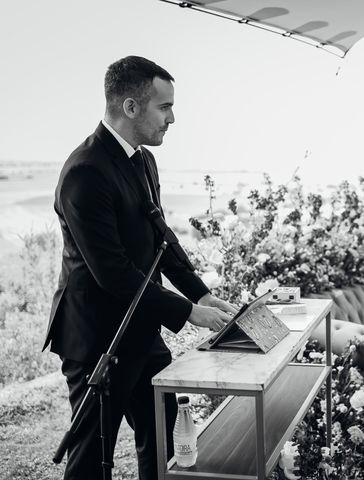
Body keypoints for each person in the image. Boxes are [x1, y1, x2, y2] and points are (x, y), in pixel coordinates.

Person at [43, 56, 238, 480]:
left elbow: (159, 239)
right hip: (97, 341)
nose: (173, 118)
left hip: (141, 329)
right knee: (92, 460)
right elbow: (111, 270)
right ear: (131, 107)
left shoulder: (144, 159)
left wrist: (200, 293)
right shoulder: (84, 171)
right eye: (164, 107)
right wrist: (188, 313)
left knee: (164, 440)